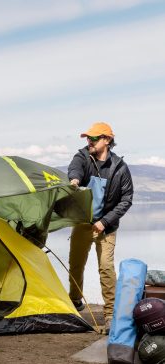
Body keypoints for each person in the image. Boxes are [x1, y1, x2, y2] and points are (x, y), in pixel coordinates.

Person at [68, 122, 134, 333]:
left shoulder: (120, 168)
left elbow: (126, 199)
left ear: (106, 140)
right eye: (88, 138)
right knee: (76, 265)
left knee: (106, 268)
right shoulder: (83, 156)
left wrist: (104, 221)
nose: (89, 142)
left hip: (106, 227)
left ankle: (110, 316)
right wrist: (75, 179)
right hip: (82, 223)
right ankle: (75, 301)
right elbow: (75, 167)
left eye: (94, 139)